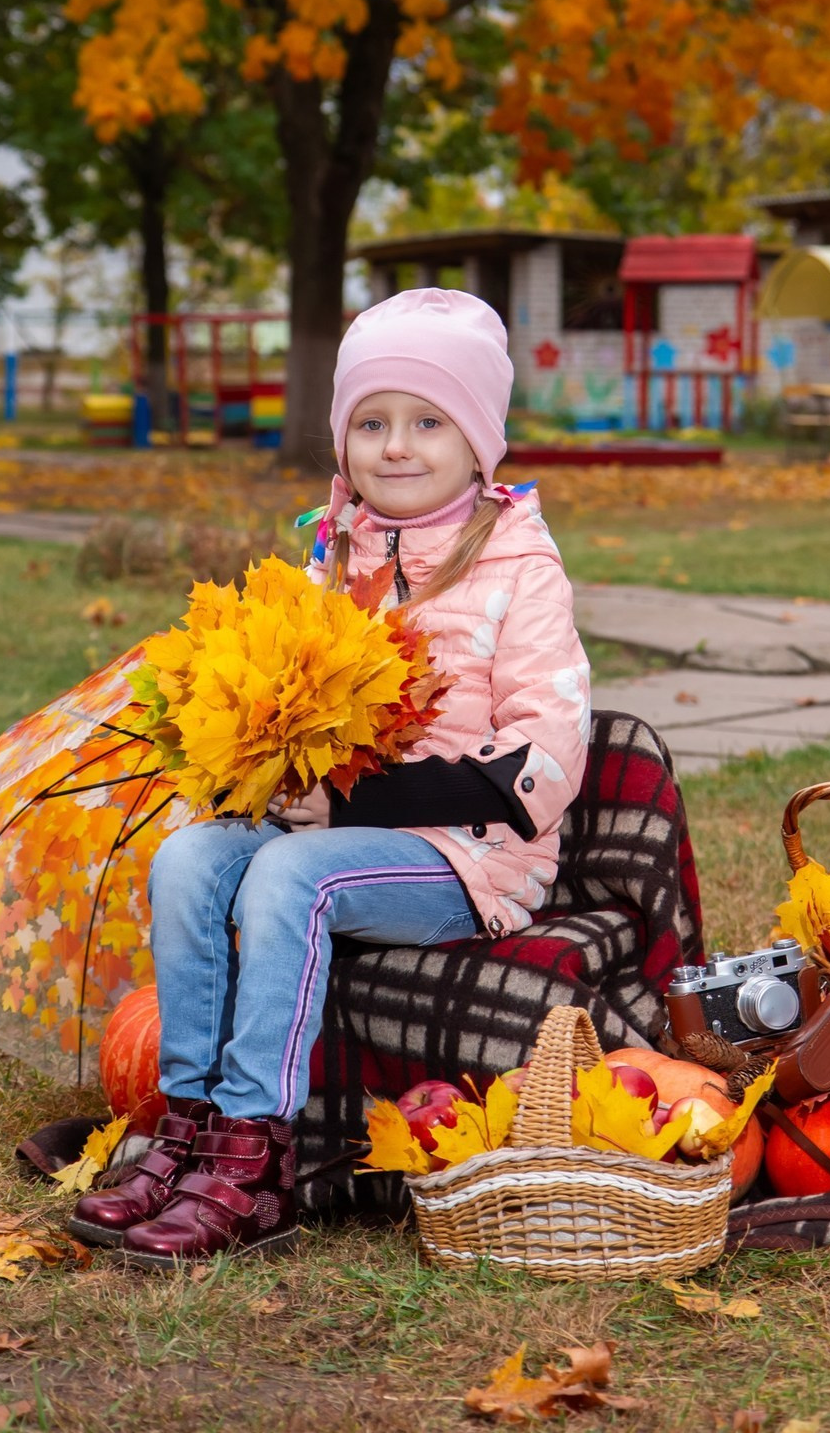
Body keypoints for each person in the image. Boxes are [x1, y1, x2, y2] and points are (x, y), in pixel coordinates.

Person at [69, 288, 591, 1267]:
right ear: (340, 437)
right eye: (370, 422)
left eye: (427, 421)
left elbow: (545, 763)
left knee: (285, 879)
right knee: (188, 858)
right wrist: (247, 757)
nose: (395, 446)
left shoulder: (520, 569)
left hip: (466, 859)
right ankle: (184, 1127)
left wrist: (355, 802)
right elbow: (296, 707)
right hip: (331, 830)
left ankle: (256, 1164)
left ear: (480, 442)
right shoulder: (333, 554)